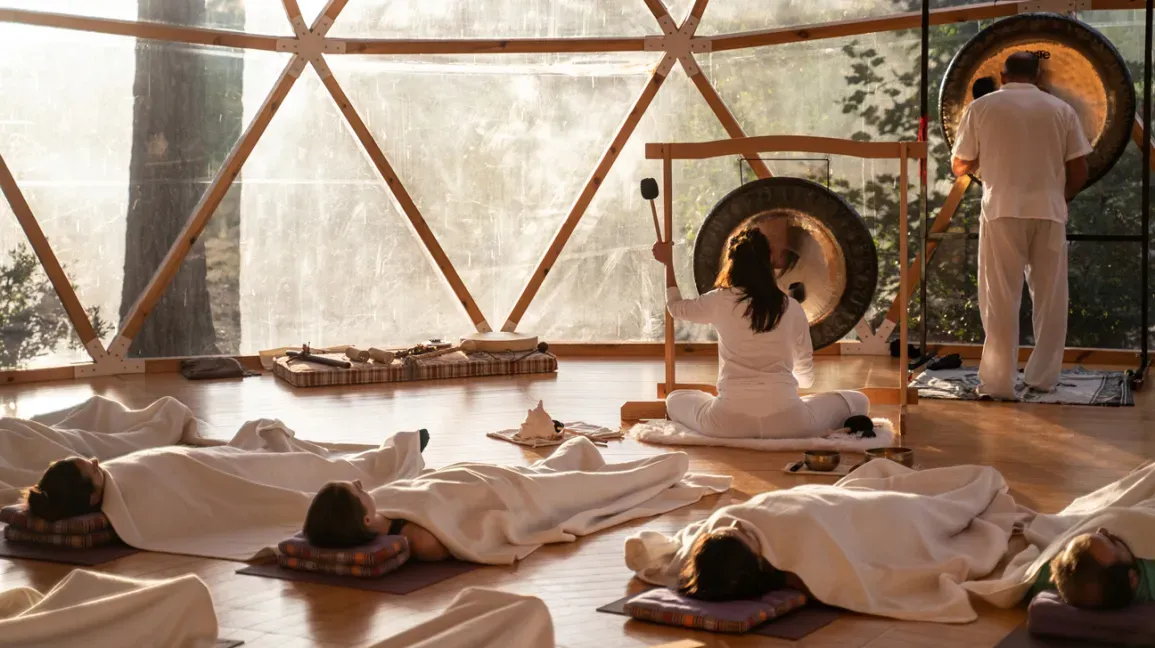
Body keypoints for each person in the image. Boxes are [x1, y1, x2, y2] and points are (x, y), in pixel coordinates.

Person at [950, 51, 1092, 400]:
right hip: (1048, 211)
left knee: (1000, 299)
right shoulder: (1061, 110)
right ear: (1039, 76)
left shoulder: (981, 108)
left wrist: (989, 154)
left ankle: (998, 384)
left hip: (1002, 211)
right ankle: (1043, 378)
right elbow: (1080, 170)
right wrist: (1061, 199)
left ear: (1002, 74)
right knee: (1050, 299)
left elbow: (959, 166)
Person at [650, 225, 869, 438]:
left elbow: (676, 308)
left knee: (674, 399)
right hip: (790, 423)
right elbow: (805, 379)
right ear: (768, 263)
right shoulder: (791, 307)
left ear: (731, 263)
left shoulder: (719, 300)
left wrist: (667, 263)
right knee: (859, 401)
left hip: (726, 422)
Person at [21, 430, 432, 522]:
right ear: (92, 497)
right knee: (293, 475)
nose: (97, 461)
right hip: (223, 479)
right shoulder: (126, 501)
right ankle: (386, 461)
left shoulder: (114, 478)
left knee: (282, 460)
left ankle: (381, 458)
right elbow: (200, 502)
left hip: (220, 463)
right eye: (91, 468)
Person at [304, 480, 451, 561]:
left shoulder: (370, 508)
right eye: (359, 490)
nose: (359, 481)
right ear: (366, 519)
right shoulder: (419, 539)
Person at [1028, 527, 1155, 608]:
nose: (1102, 529)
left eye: (1065, 548)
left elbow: (1028, 575)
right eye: (1112, 541)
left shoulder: (1070, 580)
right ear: (1132, 579)